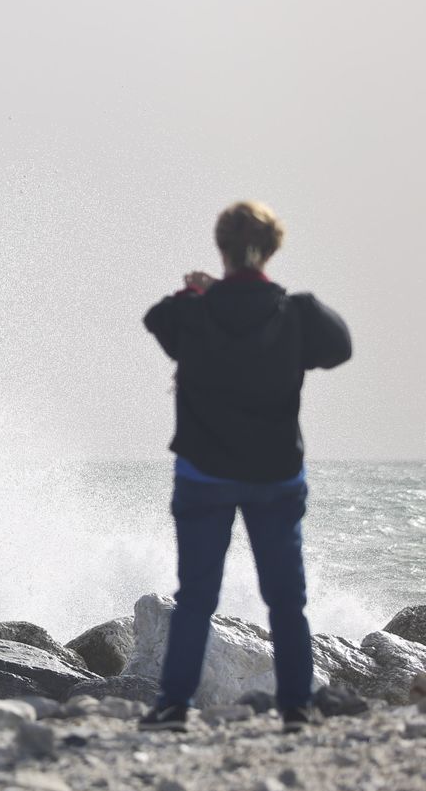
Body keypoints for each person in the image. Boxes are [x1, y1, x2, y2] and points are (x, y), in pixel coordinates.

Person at [137, 201, 352, 733]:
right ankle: (296, 708)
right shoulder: (294, 312)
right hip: (275, 474)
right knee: (286, 600)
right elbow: (340, 347)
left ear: (222, 248)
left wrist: (203, 291)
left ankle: (173, 706)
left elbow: (157, 320)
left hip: (203, 473)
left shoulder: (194, 310)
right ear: (272, 248)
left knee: (196, 598)